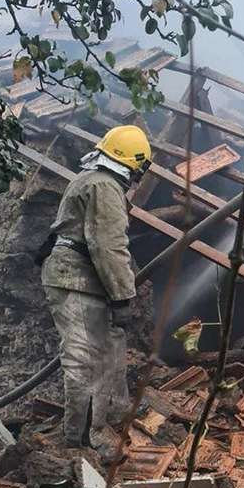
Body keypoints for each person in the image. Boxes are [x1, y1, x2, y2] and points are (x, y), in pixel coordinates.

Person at [40, 124, 151, 450]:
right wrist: (123, 297)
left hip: (84, 280)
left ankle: (109, 422)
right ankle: (80, 443)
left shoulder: (91, 180)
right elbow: (108, 245)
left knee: (109, 352)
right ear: (136, 164)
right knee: (85, 361)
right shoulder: (105, 187)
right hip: (77, 281)